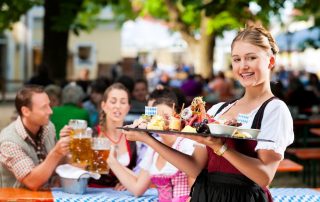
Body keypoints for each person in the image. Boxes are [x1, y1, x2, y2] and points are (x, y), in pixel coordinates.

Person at [123, 25, 294, 202]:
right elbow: (195, 168)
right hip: (205, 195)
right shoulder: (218, 109)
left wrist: (220, 147)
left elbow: (264, 177)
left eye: (251, 58)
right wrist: (148, 139)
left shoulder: (274, 110)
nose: (243, 66)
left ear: (270, 61)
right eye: (236, 59)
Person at [108, 93, 196, 201]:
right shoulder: (153, 147)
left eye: (167, 117)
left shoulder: (186, 144)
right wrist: (111, 160)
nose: (163, 121)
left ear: (177, 117)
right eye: (157, 118)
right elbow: (137, 188)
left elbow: (195, 190)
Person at [0, 85, 71, 190]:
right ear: (26, 111)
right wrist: (56, 152)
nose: (50, 111)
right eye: (44, 107)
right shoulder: (9, 141)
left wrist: (65, 148)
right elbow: (32, 182)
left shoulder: (48, 127)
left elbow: (54, 167)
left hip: (49, 195)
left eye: (49, 105)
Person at [88, 82, 138, 188]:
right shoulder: (91, 134)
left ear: (128, 107)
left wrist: (128, 182)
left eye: (123, 102)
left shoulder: (133, 136)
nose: (118, 106)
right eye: (113, 101)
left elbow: (140, 173)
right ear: (104, 105)